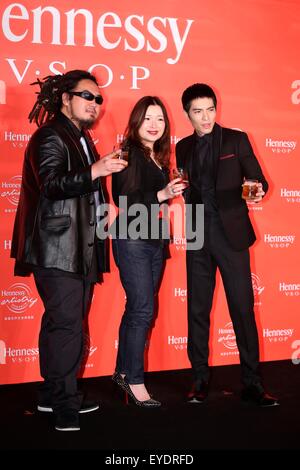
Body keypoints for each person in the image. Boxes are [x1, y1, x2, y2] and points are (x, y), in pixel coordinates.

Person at [10, 69, 127, 431]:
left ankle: (51, 396)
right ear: (65, 98)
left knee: (61, 324)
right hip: (59, 248)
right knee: (67, 327)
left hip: (78, 246)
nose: (95, 103)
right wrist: (97, 170)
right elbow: (51, 185)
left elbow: (84, 186)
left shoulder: (79, 137)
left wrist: (105, 204)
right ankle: (64, 406)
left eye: (98, 99)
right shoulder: (50, 135)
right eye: (87, 96)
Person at [176, 83, 279, 407]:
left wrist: (258, 190)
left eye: (210, 109)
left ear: (216, 109)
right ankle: (200, 379)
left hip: (231, 234)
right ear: (187, 114)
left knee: (242, 309)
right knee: (197, 309)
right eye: (198, 111)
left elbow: (258, 179)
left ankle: (252, 383)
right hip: (197, 234)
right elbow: (187, 187)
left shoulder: (236, 139)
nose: (205, 118)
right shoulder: (182, 147)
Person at [111, 96, 185, 407]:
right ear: (136, 121)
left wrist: (171, 191)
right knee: (142, 310)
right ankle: (135, 380)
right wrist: (162, 192)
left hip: (154, 239)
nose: (154, 125)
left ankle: (122, 372)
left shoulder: (158, 155)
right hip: (131, 239)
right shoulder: (128, 153)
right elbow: (123, 200)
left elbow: (154, 201)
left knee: (138, 309)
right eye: (148, 119)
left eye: (160, 119)